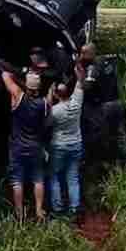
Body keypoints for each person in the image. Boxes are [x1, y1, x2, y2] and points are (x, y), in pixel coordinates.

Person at [79, 43, 126, 167]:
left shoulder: (93, 67)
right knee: (123, 133)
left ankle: (113, 165)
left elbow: (87, 86)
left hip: (106, 107)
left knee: (107, 136)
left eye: (83, 54)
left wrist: (80, 79)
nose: (81, 57)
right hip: (118, 102)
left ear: (90, 54)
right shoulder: (106, 62)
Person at [1, 70, 50, 221]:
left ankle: (19, 213)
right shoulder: (44, 104)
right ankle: (39, 210)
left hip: (18, 147)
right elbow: (49, 103)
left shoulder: (17, 95)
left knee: (17, 181)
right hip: (36, 147)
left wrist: (17, 76)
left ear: (26, 86)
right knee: (38, 179)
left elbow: (5, 76)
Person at [46, 62, 87, 218]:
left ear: (57, 94)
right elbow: (80, 85)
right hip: (76, 144)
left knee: (54, 176)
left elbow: (46, 120)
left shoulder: (55, 111)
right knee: (73, 176)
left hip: (58, 146)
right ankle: (74, 208)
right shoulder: (77, 103)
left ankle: (57, 209)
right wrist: (79, 74)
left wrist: (49, 93)